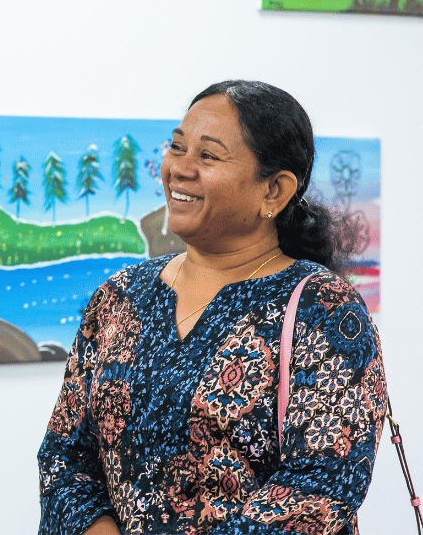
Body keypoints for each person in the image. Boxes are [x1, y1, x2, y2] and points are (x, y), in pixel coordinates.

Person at [38, 80, 386, 535]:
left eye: (207, 156)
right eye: (177, 147)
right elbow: (65, 456)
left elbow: (320, 486)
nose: (179, 169)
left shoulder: (323, 308)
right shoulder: (120, 295)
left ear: (274, 191)